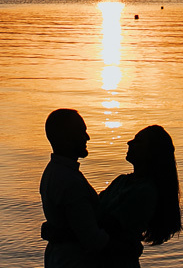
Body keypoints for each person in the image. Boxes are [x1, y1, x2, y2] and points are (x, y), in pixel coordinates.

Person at [95, 125, 183, 267]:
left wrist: (62, 232)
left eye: (138, 141)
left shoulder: (146, 191)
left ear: (152, 153)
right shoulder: (121, 181)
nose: (129, 143)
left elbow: (107, 225)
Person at [40, 108, 114, 267]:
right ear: (66, 137)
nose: (87, 137)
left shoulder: (53, 171)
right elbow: (93, 239)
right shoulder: (69, 181)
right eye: (82, 131)